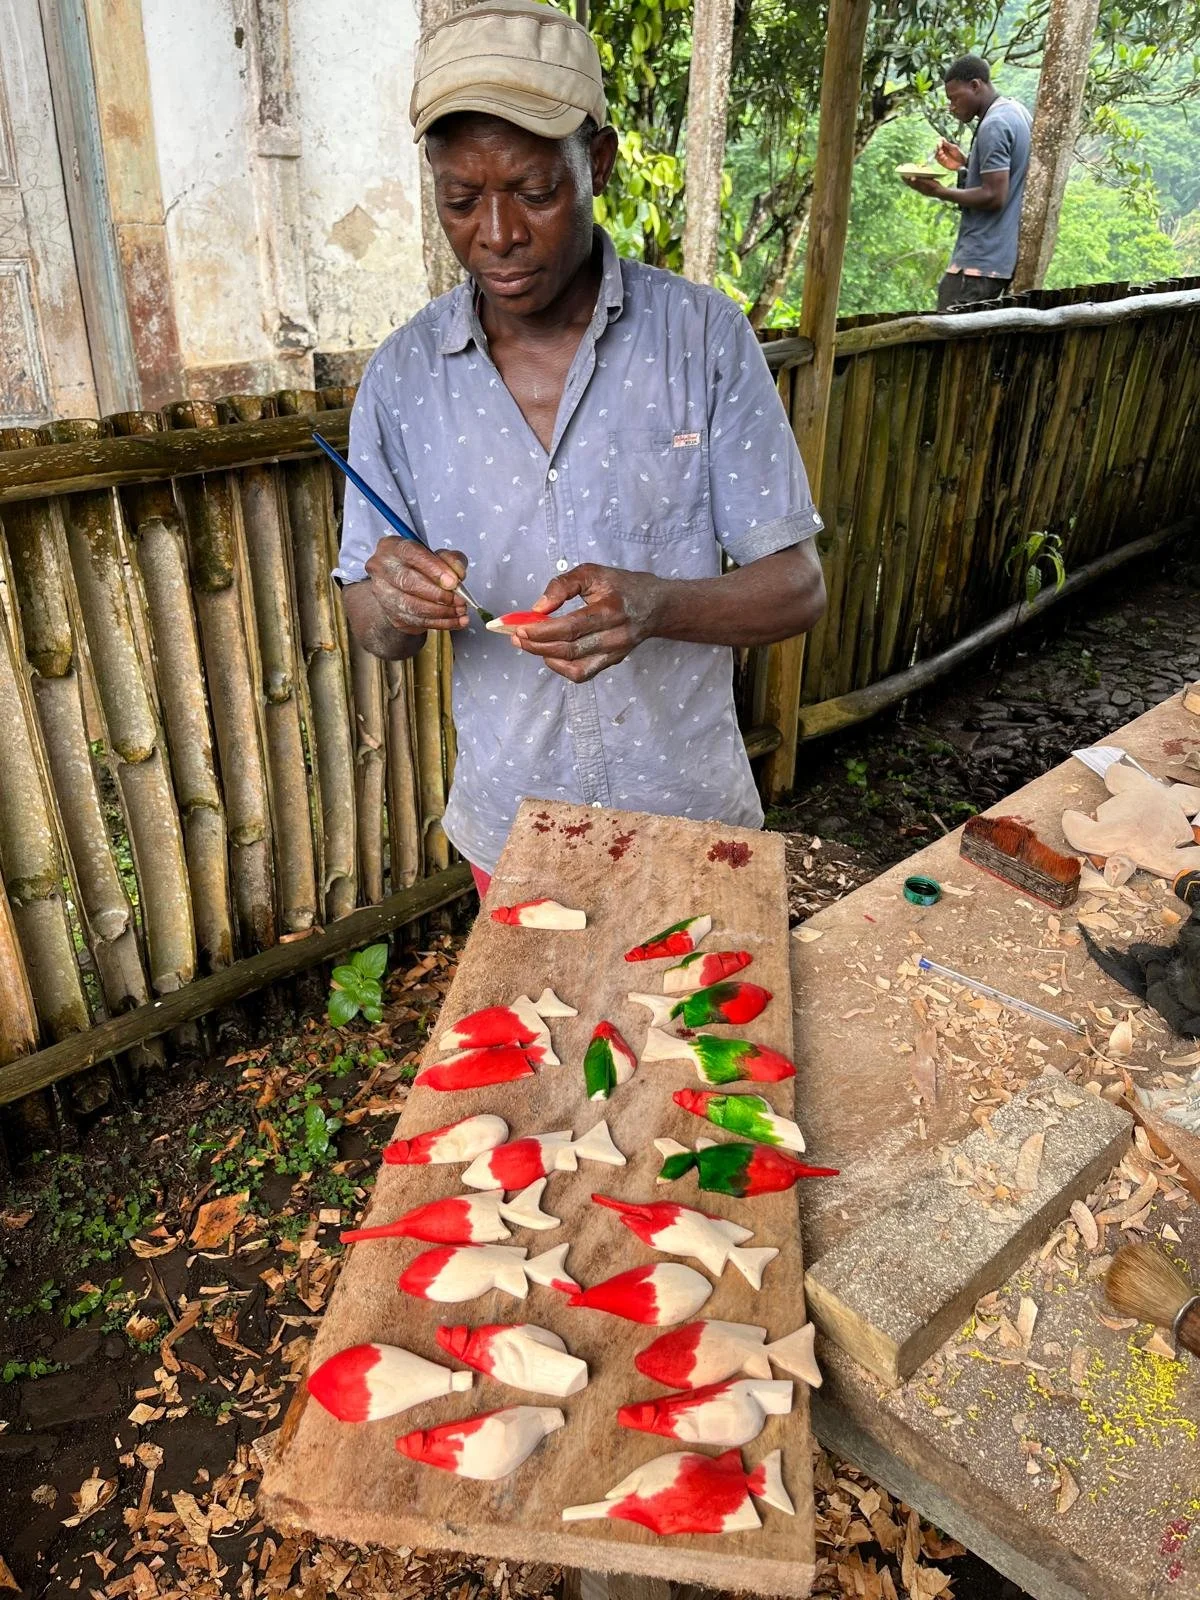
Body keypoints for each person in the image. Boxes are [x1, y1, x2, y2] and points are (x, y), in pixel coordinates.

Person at [334, 0, 826, 898]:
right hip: (512, 836)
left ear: (595, 161)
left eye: (533, 192)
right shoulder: (402, 379)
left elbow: (799, 587)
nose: (496, 234)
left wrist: (659, 605)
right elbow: (368, 622)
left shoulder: (703, 338)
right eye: (460, 201)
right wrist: (394, 603)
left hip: (693, 823)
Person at [903, 55, 1032, 311]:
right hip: (997, 258)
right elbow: (1008, 174)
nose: (952, 107)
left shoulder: (993, 124)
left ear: (975, 85)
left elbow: (994, 196)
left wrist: (938, 191)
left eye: (955, 98)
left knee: (948, 331)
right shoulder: (1017, 112)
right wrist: (965, 163)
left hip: (980, 261)